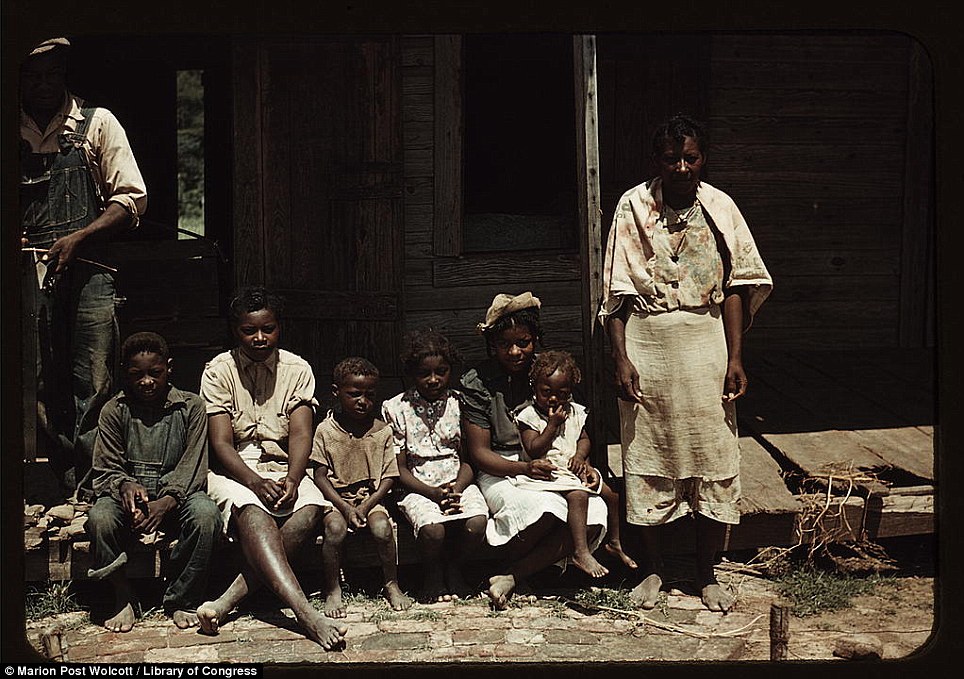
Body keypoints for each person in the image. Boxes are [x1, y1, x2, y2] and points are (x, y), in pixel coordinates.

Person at [599, 114, 772, 613]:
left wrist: (735, 357)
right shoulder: (632, 206)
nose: (681, 168)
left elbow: (738, 284)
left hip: (705, 343)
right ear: (657, 161)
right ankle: (652, 569)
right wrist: (622, 358)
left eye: (690, 158)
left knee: (711, 454)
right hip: (648, 342)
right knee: (649, 454)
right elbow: (616, 292)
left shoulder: (720, 207)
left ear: (703, 159)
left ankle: (706, 574)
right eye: (671, 159)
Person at [20, 37, 148, 497]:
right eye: (34, 76)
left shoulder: (96, 123)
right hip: (28, 274)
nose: (43, 84)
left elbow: (130, 200)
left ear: (64, 74)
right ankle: (55, 479)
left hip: (90, 269)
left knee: (92, 379)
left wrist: (80, 237)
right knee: (37, 376)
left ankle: (94, 483)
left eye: (52, 74)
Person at [196, 286, 347, 649]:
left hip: (285, 465)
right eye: (249, 330)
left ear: (280, 328)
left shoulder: (297, 369)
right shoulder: (218, 371)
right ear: (236, 331)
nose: (260, 338)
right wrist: (254, 481)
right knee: (253, 512)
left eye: (268, 329)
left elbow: (301, 433)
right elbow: (221, 443)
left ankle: (227, 601)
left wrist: (294, 478)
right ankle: (306, 615)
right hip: (238, 470)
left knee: (310, 508)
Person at [460, 292, 609, 609]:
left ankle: (512, 575)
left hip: (552, 464)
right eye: (504, 344)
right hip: (502, 467)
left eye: (523, 342)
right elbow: (479, 454)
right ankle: (519, 570)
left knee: (595, 513)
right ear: (492, 345)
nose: (514, 351)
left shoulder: (550, 374)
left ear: (536, 339)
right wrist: (524, 467)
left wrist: (582, 461)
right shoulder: (479, 382)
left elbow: (575, 432)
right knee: (542, 508)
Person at [86, 332, 221, 633]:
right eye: (137, 375)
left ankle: (182, 598)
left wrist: (168, 501)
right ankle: (122, 595)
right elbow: (106, 467)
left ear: (168, 368)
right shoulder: (114, 410)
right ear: (126, 373)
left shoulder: (191, 407)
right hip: (129, 502)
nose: (147, 381)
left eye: (155, 373)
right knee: (100, 518)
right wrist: (124, 485)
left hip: (178, 496)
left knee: (206, 515)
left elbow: (193, 464)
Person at [381, 329, 489, 603]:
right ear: (411, 374)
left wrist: (457, 488)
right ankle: (432, 572)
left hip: (458, 481)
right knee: (433, 529)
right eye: (424, 374)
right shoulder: (396, 408)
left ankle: (455, 567)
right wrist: (432, 493)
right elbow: (399, 468)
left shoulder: (459, 403)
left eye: (441, 372)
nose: (433, 380)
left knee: (477, 523)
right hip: (416, 485)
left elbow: (469, 459)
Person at [513, 350, 637, 578]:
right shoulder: (528, 416)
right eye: (546, 392)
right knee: (578, 496)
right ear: (534, 387)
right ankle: (581, 551)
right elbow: (533, 449)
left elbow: (584, 439)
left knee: (612, 495)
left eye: (562, 394)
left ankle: (614, 542)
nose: (553, 399)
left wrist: (580, 458)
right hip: (547, 472)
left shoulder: (575, 412)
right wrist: (552, 425)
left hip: (571, 469)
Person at [310, 357, 413, 617]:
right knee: (335, 529)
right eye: (354, 394)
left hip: (370, 498)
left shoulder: (382, 431)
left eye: (369, 395)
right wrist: (344, 507)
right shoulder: (325, 430)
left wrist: (366, 505)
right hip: (335, 499)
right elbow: (320, 476)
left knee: (382, 528)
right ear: (337, 392)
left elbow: (389, 477)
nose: (362, 401)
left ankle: (391, 583)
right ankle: (333, 589)